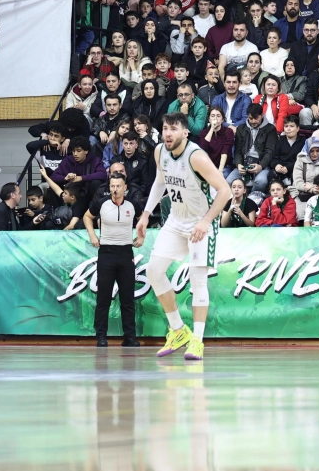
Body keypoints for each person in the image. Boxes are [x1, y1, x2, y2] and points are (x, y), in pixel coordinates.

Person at [135, 111, 231, 362]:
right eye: (165, 128)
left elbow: (225, 191)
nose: (168, 133)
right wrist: (145, 214)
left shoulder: (196, 156)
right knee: (153, 272)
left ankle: (197, 341)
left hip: (201, 224)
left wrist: (206, 221)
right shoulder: (159, 152)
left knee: (197, 281)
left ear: (185, 132)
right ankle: (178, 330)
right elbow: (159, 182)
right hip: (175, 220)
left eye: (174, 129)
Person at [84, 171, 142, 347]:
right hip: (106, 253)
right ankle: (101, 336)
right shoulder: (101, 203)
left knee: (127, 298)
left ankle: (129, 337)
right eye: (112, 186)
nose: (115, 189)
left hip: (126, 253)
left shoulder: (132, 205)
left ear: (125, 188)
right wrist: (93, 235)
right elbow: (87, 216)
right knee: (103, 297)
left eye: (118, 186)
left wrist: (141, 237)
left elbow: (143, 220)